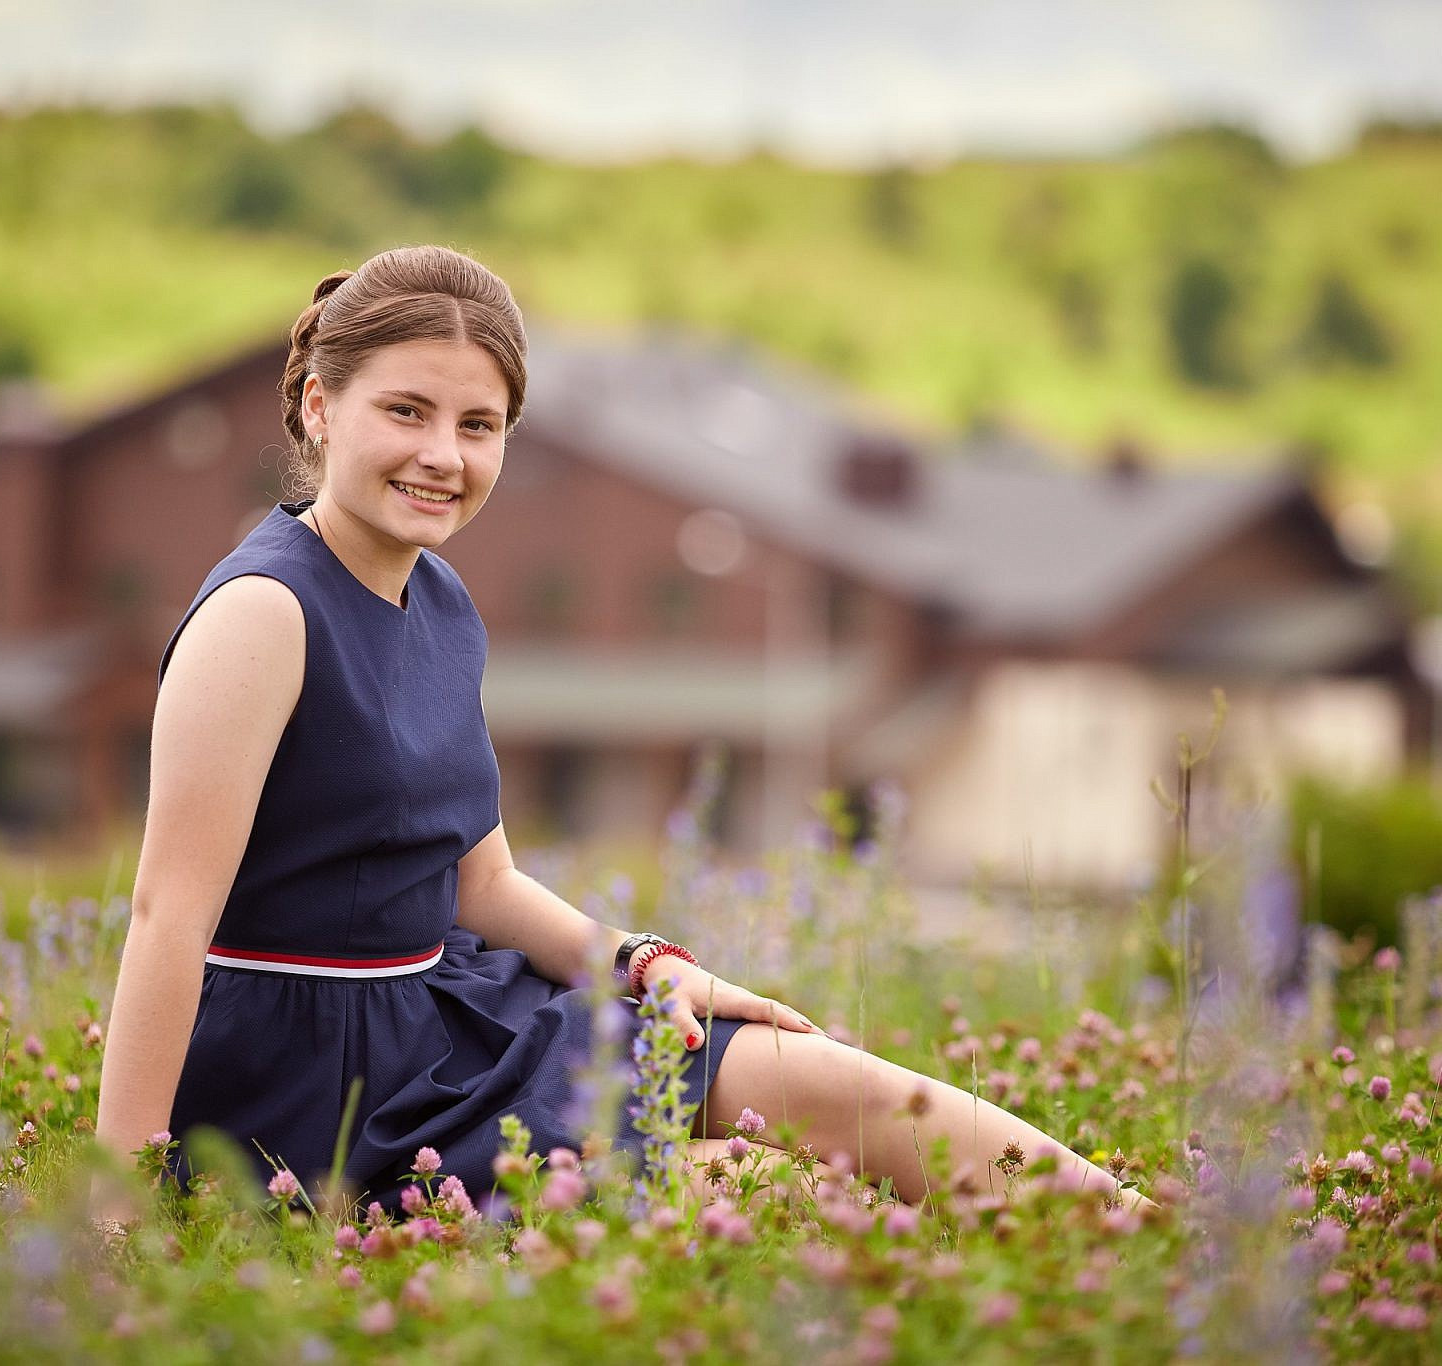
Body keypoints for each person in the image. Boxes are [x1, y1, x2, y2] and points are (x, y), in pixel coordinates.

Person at [91, 244, 1151, 1237]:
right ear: (320, 407)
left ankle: (1153, 1241)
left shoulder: (442, 600)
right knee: (761, 1195)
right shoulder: (264, 612)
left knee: (820, 1081)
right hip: (312, 1085)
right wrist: (118, 1211)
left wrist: (644, 962)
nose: (440, 455)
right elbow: (166, 915)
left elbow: (481, 880)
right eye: (405, 411)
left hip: (444, 1020)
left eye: (477, 424)